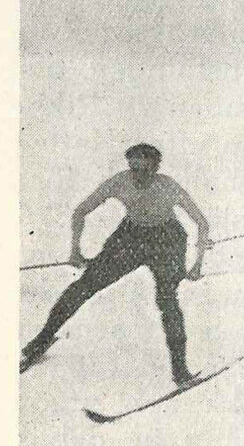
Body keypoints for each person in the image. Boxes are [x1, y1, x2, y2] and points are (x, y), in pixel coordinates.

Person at [20, 144, 209, 385]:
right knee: (85, 285)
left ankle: (180, 372)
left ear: (155, 168)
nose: (138, 176)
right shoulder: (119, 182)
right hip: (130, 237)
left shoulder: (168, 187)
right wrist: (75, 250)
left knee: (167, 300)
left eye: (145, 171)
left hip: (167, 240)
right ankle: (42, 339)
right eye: (133, 169)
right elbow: (80, 212)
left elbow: (202, 223)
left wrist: (197, 265)